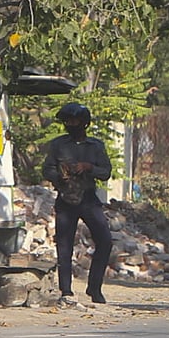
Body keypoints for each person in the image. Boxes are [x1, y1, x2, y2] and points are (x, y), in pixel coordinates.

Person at [42, 103, 113, 307]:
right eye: (67, 122)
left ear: (84, 123)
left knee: (105, 241)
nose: (71, 125)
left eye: (74, 121)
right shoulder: (58, 145)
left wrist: (88, 167)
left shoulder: (96, 146)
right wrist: (60, 175)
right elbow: (46, 170)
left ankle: (95, 287)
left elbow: (106, 172)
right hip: (65, 199)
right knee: (64, 246)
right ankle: (66, 289)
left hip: (89, 198)